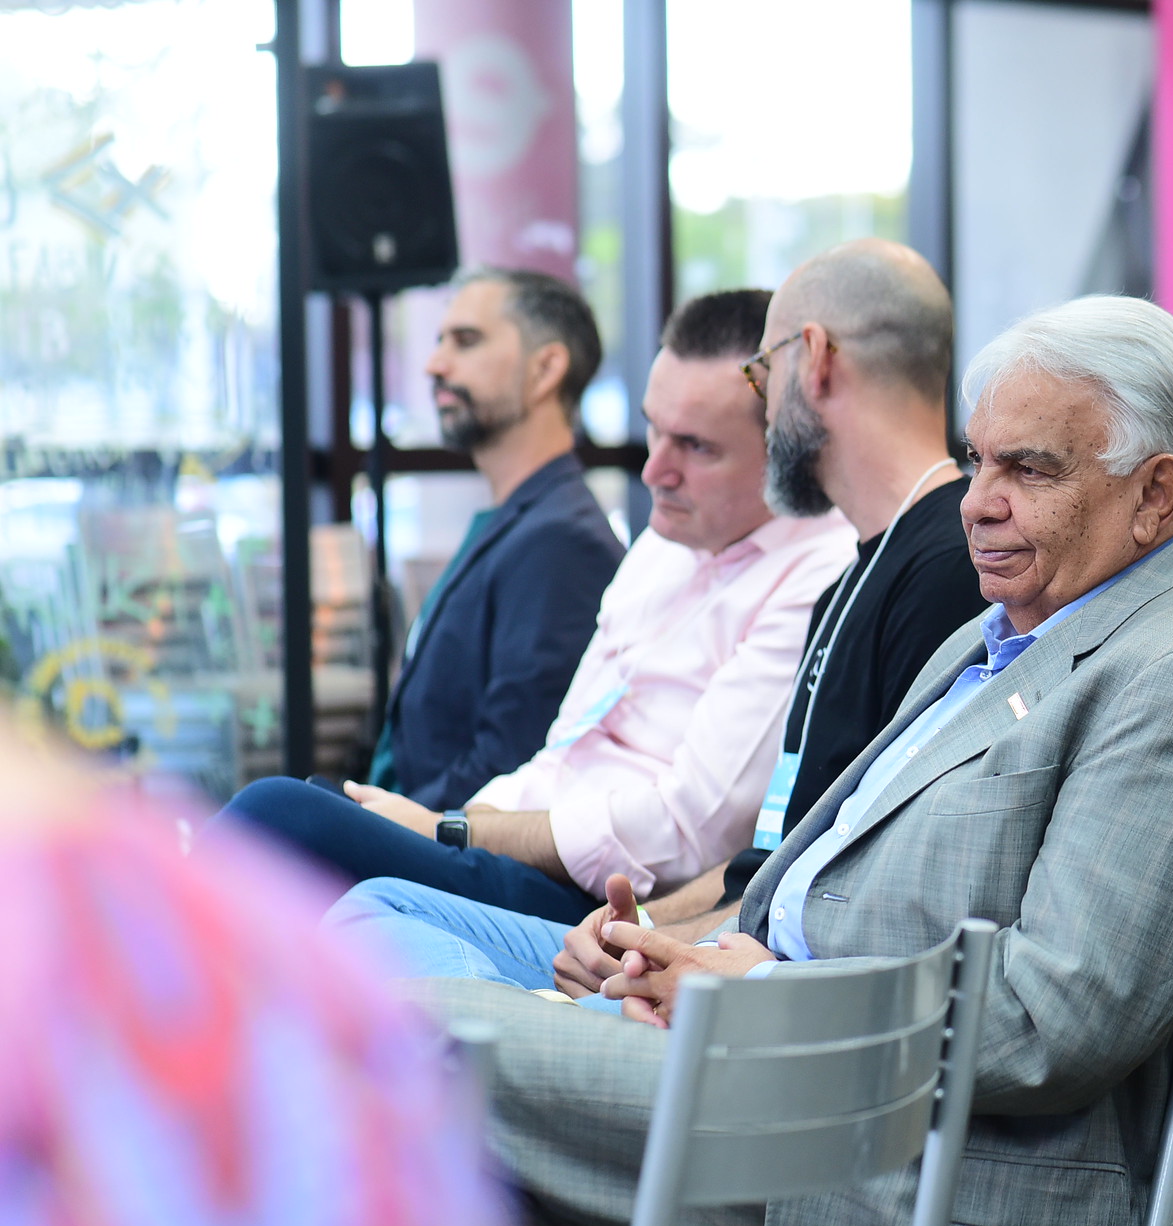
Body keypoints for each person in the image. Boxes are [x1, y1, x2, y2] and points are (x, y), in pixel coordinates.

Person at [386, 296, 1173, 1226]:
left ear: (1155, 494)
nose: (977, 504)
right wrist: (691, 954)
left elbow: (1053, 1017)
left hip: (915, 1177)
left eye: (1027, 470)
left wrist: (757, 992)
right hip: (800, 1099)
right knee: (423, 1183)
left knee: (402, 1031)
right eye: (976, 462)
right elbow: (827, 888)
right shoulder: (1001, 635)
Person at [316, 241, 987, 993]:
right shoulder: (857, 570)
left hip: (753, 995)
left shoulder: (924, 570)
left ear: (815, 359)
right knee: (369, 912)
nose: (652, 470)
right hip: (694, 938)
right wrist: (643, 933)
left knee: (318, 854)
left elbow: (828, 894)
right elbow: (770, 865)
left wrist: (661, 949)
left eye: (762, 374)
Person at [219, 291, 856, 924]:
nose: (654, 471)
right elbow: (561, 748)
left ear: (785, 446)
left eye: (696, 447)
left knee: (281, 816)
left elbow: (685, 829)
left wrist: (453, 828)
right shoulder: (668, 542)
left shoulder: (815, 576)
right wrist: (453, 823)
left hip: (604, 897)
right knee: (311, 806)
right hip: (519, 836)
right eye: (654, 429)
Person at [0, 722, 512, 1226]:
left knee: (284, 812)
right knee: (358, 903)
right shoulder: (308, 971)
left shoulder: (45, 955)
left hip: (546, 871)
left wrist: (440, 824)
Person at [368, 266, 625, 809]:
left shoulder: (560, 542)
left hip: (442, 842)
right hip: (418, 830)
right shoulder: (523, 521)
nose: (435, 365)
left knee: (274, 807)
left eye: (466, 341)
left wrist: (384, 826)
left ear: (546, 368)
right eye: (440, 341)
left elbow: (512, 765)